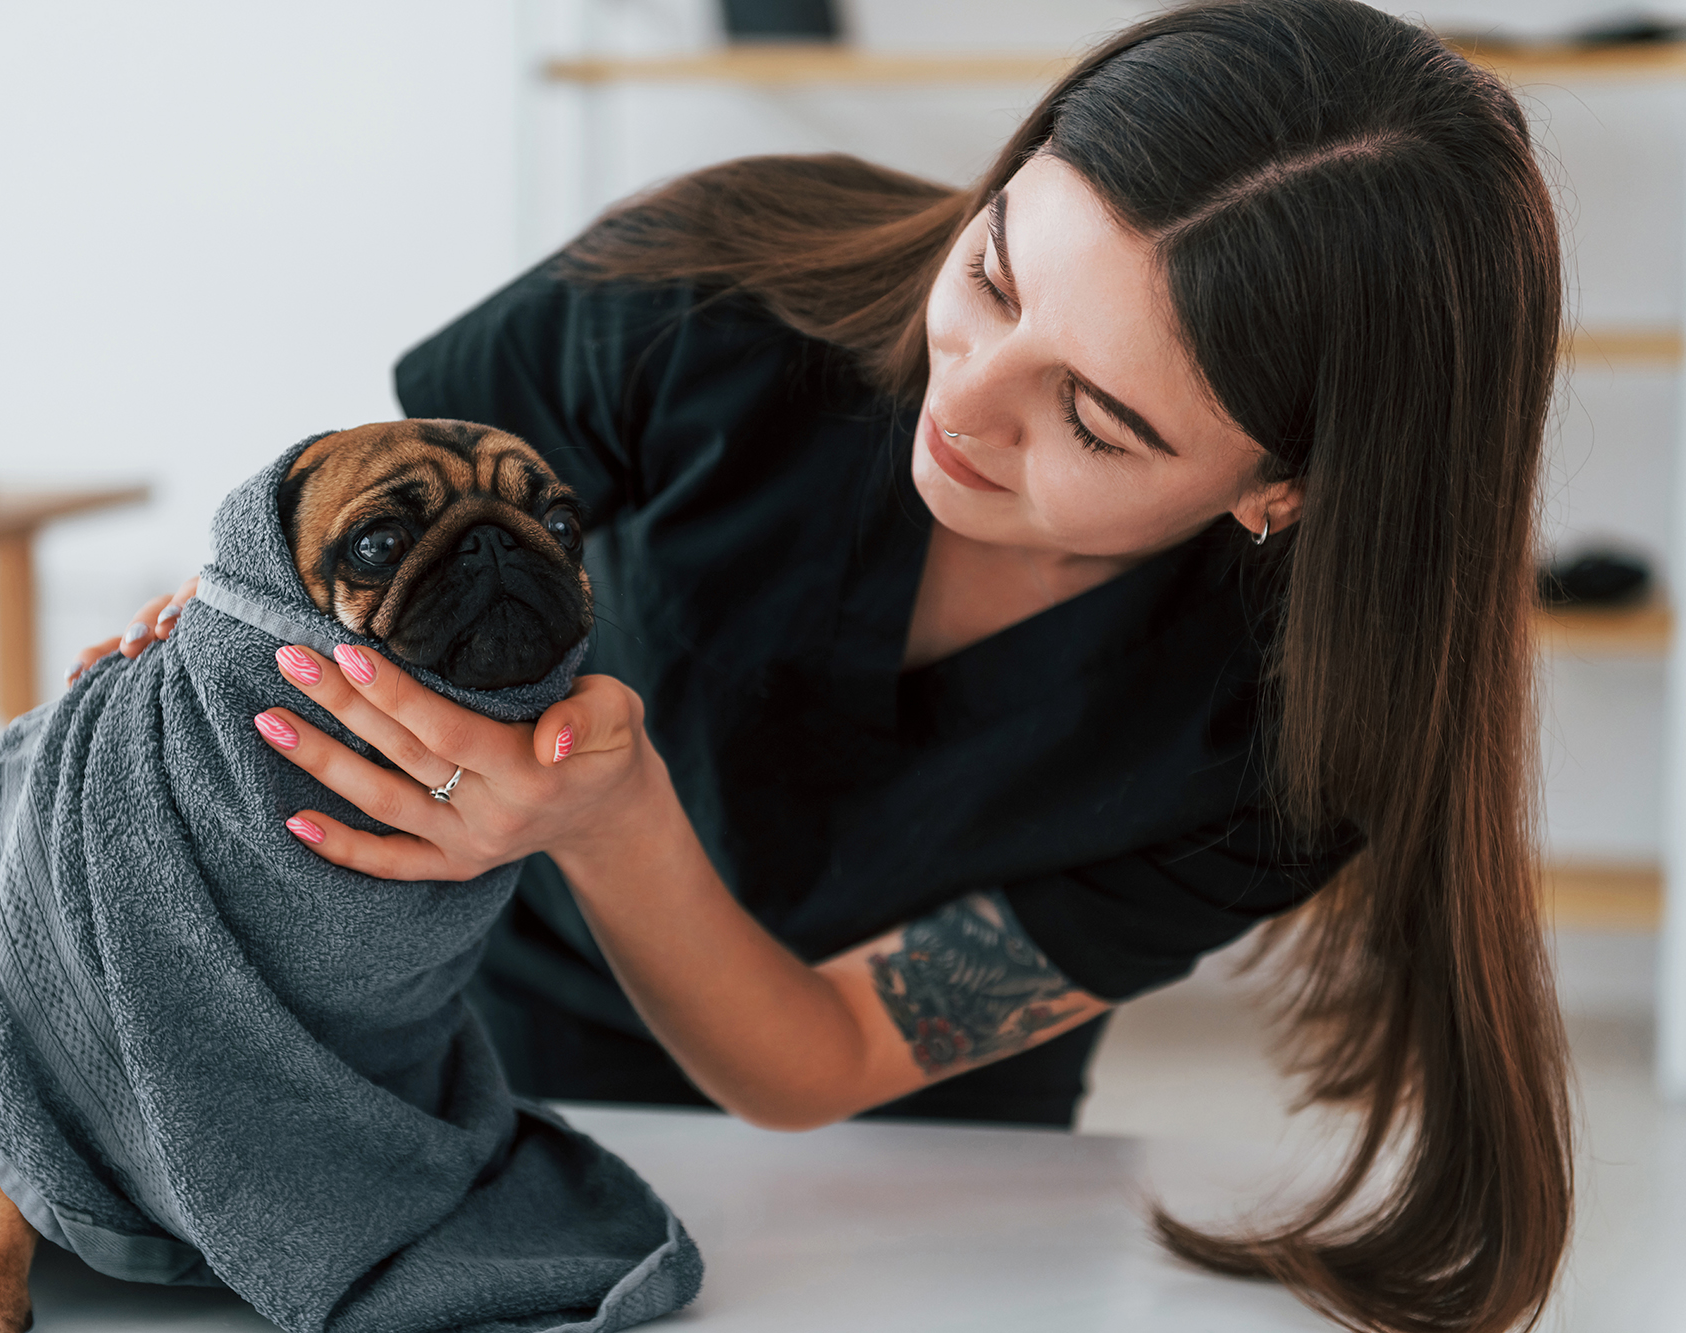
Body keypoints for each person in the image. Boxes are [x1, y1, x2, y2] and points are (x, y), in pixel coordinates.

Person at [79, 2, 1572, 1327]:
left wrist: (609, 817)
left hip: (921, 1178)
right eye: (991, 277)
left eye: (1100, 421)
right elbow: (372, 530)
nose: (964, 408)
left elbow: (824, 1058)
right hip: (461, 1054)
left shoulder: (1296, 743)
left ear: (1283, 486)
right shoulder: (702, 293)